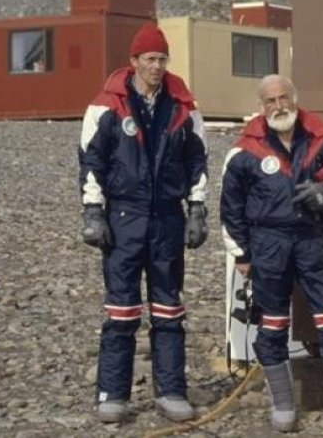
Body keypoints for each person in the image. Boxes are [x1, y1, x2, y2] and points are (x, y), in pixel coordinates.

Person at [220, 74, 323, 432]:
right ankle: (283, 404)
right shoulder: (244, 150)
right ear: (261, 107)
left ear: (295, 97)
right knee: (272, 323)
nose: (279, 105)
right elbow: (230, 208)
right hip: (267, 244)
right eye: (271, 100)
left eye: (284, 97)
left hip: (310, 239)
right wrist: (241, 254)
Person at [77, 23, 209, 424]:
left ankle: (171, 392)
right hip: (123, 217)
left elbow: (197, 161)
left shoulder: (184, 106)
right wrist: (93, 212)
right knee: (122, 311)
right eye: (150, 59)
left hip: (168, 217)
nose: (156, 65)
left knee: (169, 309)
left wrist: (198, 209)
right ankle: (111, 394)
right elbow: (90, 161)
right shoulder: (106, 106)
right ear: (133, 61)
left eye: (162, 58)